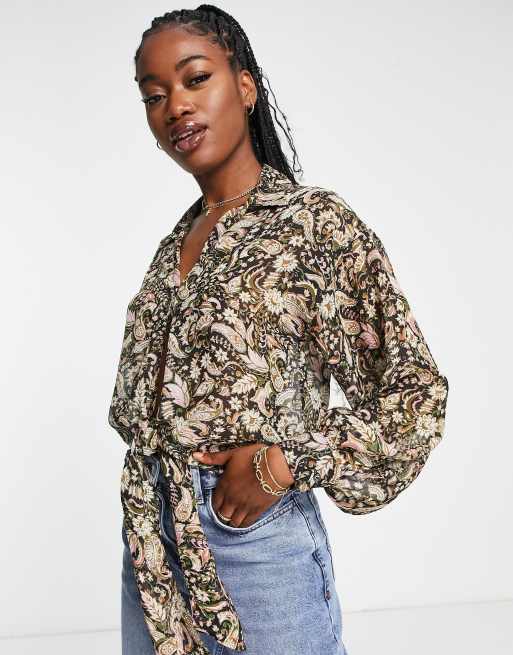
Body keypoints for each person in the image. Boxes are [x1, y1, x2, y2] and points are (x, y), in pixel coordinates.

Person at [109, 5, 449, 655]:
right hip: (151, 546)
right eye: (154, 96)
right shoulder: (175, 244)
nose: (175, 106)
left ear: (245, 86)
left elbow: (413, 391)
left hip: (252, 545)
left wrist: (284, 461)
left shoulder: (311, 222)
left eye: (195, 78)